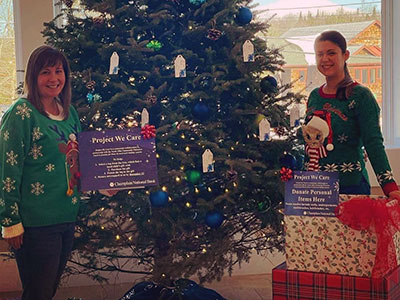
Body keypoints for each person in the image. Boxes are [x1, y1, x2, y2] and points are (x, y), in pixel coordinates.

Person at [0, 45, 81, 300]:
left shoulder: (68, 112)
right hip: (36, 223)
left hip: (66, 215)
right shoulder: (21, 113)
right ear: (33, 76)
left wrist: (104, 183)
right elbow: (7, 167)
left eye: (59, 71)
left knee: (47, 291)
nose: (54, 78)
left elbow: (80, 160)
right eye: (45, 72)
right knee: (38, 293)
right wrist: (10, 221)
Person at [306, 30, 400, 199]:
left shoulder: (361, 96)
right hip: (315, 189)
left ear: (346, 55)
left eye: (331, 53)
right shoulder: (314, 96)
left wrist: (389, 185)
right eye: (320, 54)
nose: (325, 59)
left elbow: (373, 142)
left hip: (352, 187)